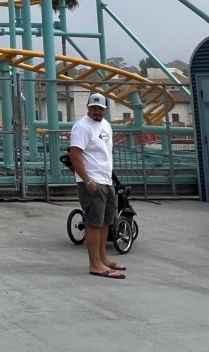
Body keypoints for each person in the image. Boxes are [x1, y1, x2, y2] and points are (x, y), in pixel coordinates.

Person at [68, 94, 126, 279]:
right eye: (93, 107)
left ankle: (103, 258)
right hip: (92, 181)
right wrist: (87, 181)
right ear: (88, 107)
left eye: (100, 108)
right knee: (93, 222)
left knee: (105, 221)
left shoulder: (106, 125)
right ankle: (95, 265)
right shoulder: (82, 127)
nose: (96, 111)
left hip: (106, 180)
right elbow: (75, 155)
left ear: (106, 109)